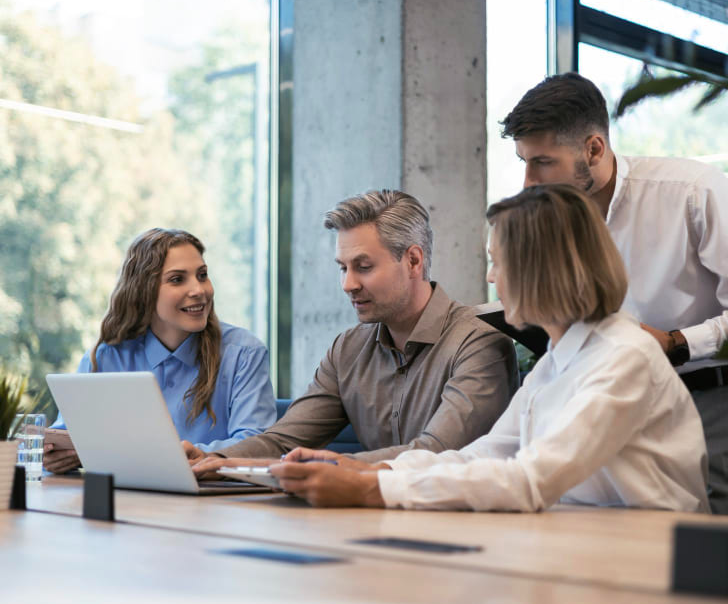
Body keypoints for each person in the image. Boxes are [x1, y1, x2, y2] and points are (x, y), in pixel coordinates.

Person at [263, 184, 710, 513]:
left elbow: (529, 479)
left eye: (498, 262)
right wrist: (362, 471)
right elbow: (483, 453)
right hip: (585, 543)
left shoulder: (624, 357)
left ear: (542, 270)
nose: (492, 278)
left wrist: (368, 490)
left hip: (650, 560)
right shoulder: (558, 360)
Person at [498, 73, 728, 517]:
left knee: (722, 565)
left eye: (542, 162)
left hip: (723, 404)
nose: (528, 181)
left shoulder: (693, 191)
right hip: (619, 409)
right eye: (524, 161)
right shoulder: (560, 223)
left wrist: (676, 343)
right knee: (639, 559)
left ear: (593, 148)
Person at [188, 189, 518, 475]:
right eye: (343, 268)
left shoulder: (479, 344)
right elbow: (283, 440)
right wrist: (212, 459)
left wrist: (332, 466)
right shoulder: (348, 349)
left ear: (414, 261)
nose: (348, 285)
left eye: (363, 267)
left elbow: (436, 453)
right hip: (367, 520)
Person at [43, 228, 276, 473]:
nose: (198, 290)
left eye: (202, 275)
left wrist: (197, 456)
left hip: (213, 502)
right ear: (144, 291)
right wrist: (54, 456)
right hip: (125, 499)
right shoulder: (106, 356)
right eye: (177, 279)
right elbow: (66, 435)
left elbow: (257, 445)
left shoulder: (244, 353)